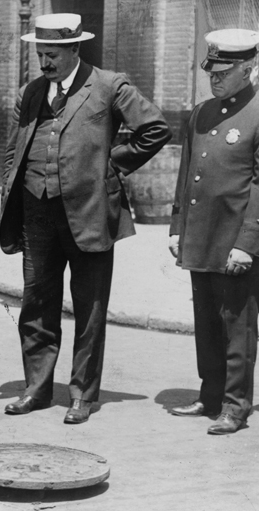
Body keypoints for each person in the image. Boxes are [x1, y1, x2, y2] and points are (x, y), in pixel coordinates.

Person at [0, 13, 172, 424]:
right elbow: (14, 150)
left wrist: (111, 166)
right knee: (36, 303)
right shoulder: (31, 91)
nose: (45, 62)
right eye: (40, 54)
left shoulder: (110, 85)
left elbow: (155, 129)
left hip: (90, 212)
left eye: (53, 54)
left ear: (75, 48)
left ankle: (82, 394)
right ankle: (36, 390)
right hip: (37, 212)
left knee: (90, 307)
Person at [169, 29, 259, 435]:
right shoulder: (202, 112)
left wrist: (247, 243)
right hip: (201, 235)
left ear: (248, 68)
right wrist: (176, 227)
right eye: (212, 70)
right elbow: (187, 173)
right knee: (205, 321)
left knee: (236, 325)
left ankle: (236, 406)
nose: (215, 78)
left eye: (224, 71)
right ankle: (210, 395)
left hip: (235, 239)